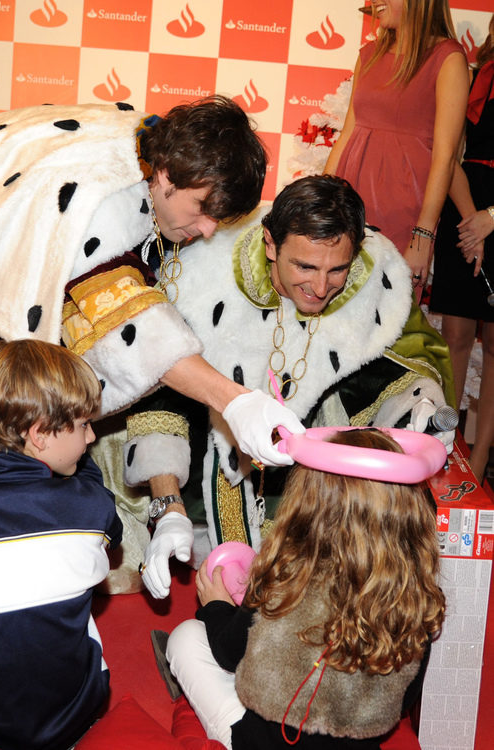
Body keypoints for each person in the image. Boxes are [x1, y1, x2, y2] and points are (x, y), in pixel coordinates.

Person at [0, 96, 304, 594]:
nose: (204, 231)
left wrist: (169, 505)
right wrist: (236, 399)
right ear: (165, 172)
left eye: (217, 222)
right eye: (203, 210)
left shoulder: (145, 147)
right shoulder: (105, 204)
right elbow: (130, 325)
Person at [134, 175, 455, 598]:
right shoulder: (205, 277)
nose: (321, 288)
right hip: (206, 496)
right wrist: (168, 507)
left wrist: (419, 410)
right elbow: (161, 396)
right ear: (270, 244)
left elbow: (403, 364)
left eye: (337, 269)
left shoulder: (374, 283)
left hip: (324, 512)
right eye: (304, 266)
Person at [166, 428, 446, 749]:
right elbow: (405, 698)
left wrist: (215, 605)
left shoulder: (285, 575)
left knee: (187, 637)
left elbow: (228, 654)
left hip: (264, 742)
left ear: (307, 503)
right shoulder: (414, 595)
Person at [0, 339, 123, 750]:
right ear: (40, 435)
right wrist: (82, 472)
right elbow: (112, 529)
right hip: (69, 718)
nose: (90, 439)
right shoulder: (86, 508)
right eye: (84, 425)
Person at [323, 0, 469, 300]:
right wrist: (321, 200)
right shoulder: (368, 55)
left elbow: (445, 155)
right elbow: (348, 133)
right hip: (349, 203)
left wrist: (423, 234)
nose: (374, 2)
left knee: (386, 314)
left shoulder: (447, 58)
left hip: (403, 210)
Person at [430, 14, 494, 484]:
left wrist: (491, 219)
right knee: (454, 337)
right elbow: (448, 150)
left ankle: (481, 464)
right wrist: (472, 217)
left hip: (491, 216)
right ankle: (445, 453)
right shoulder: (471, 74)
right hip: (463, 204)